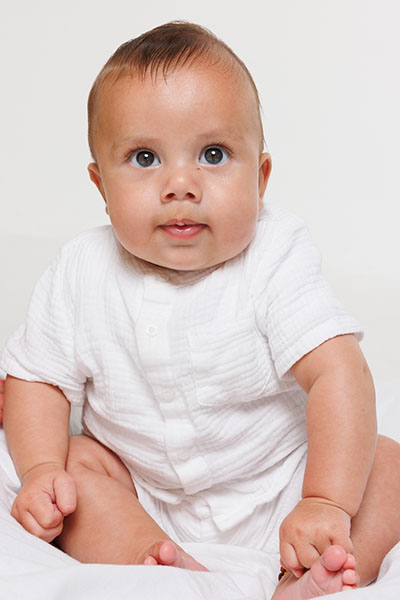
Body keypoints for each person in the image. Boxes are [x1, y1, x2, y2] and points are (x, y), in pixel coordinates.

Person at [1, 22, 400, 600]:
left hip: (282, 486)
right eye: (144, 158)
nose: (180, 184)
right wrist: (41, 470)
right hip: (143, 493)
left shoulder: (275, 255)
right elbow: (36, 378)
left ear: (260, 178)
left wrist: (325, 498)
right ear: (101, 186)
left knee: (386, 465)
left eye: (213, 155)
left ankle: (304, 577)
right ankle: (156, 564)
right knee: (78, 461)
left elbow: (339, 372)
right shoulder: (81, 269)